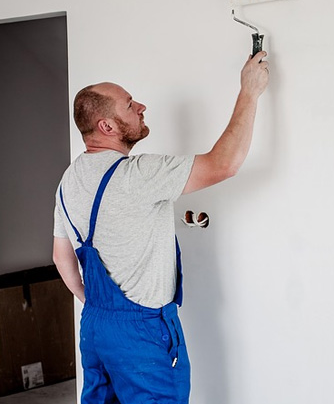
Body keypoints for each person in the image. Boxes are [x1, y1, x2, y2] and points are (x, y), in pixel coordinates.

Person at [53, 51, 269, 404]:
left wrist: (96, 306)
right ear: (106, 126)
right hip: (143, 336)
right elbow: (224, 164)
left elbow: (61, 256)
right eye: (128, 105)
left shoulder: (70, 178)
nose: (141, 106)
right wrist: (250, 91)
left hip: (95, 328)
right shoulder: (137, 175)